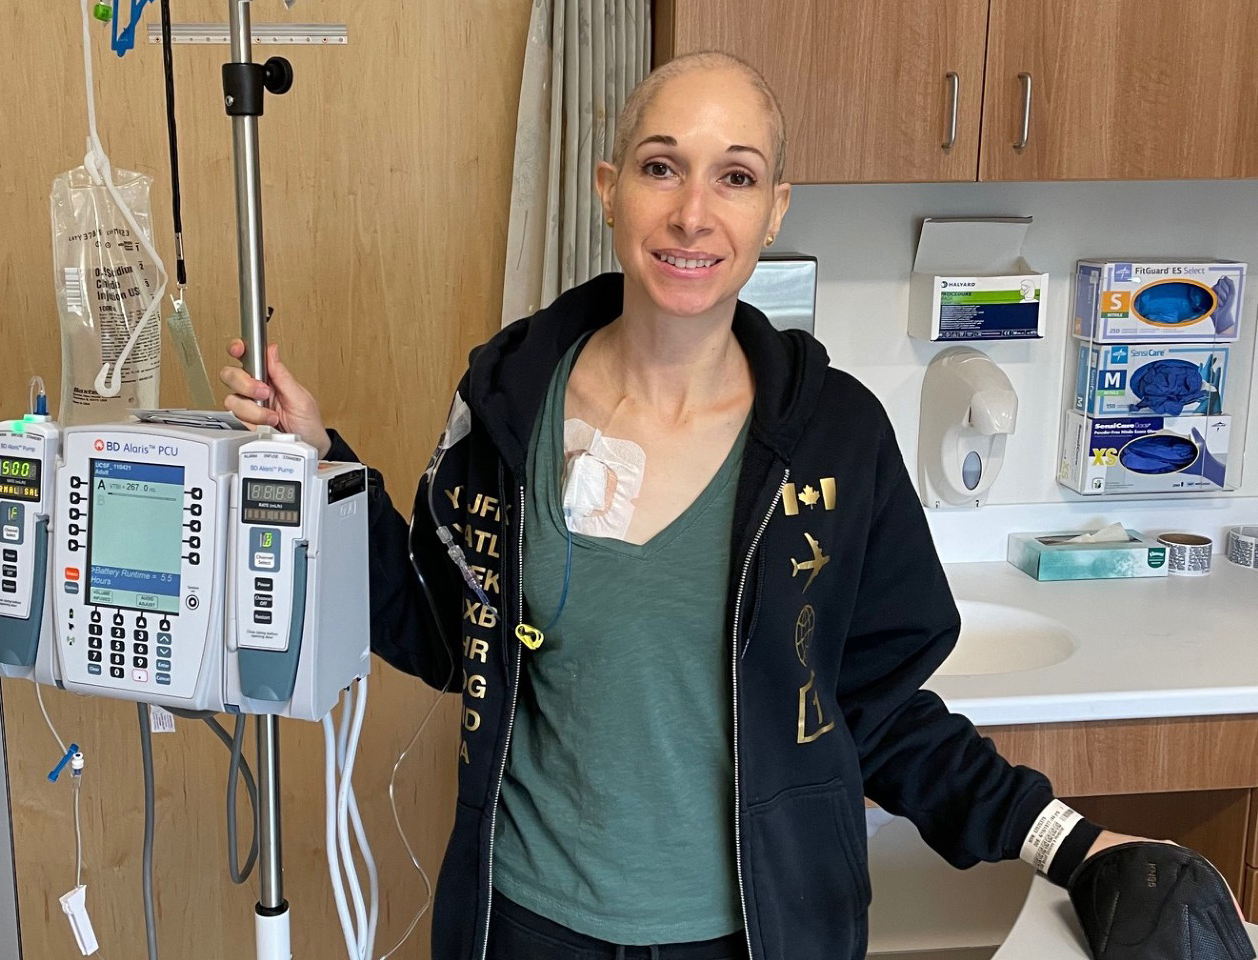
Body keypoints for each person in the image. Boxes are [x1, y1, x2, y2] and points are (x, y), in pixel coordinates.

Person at [223, 52, 1224, 960]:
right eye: (662, 167)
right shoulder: (507, 400)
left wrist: (1069, 841)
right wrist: (321, 467)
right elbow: (443, 628)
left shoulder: (835, 439)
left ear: (775, 208)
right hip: (526, 924)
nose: (694, 213)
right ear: (609, 190)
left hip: (755, 933)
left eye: (735, 177)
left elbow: (876, 708)